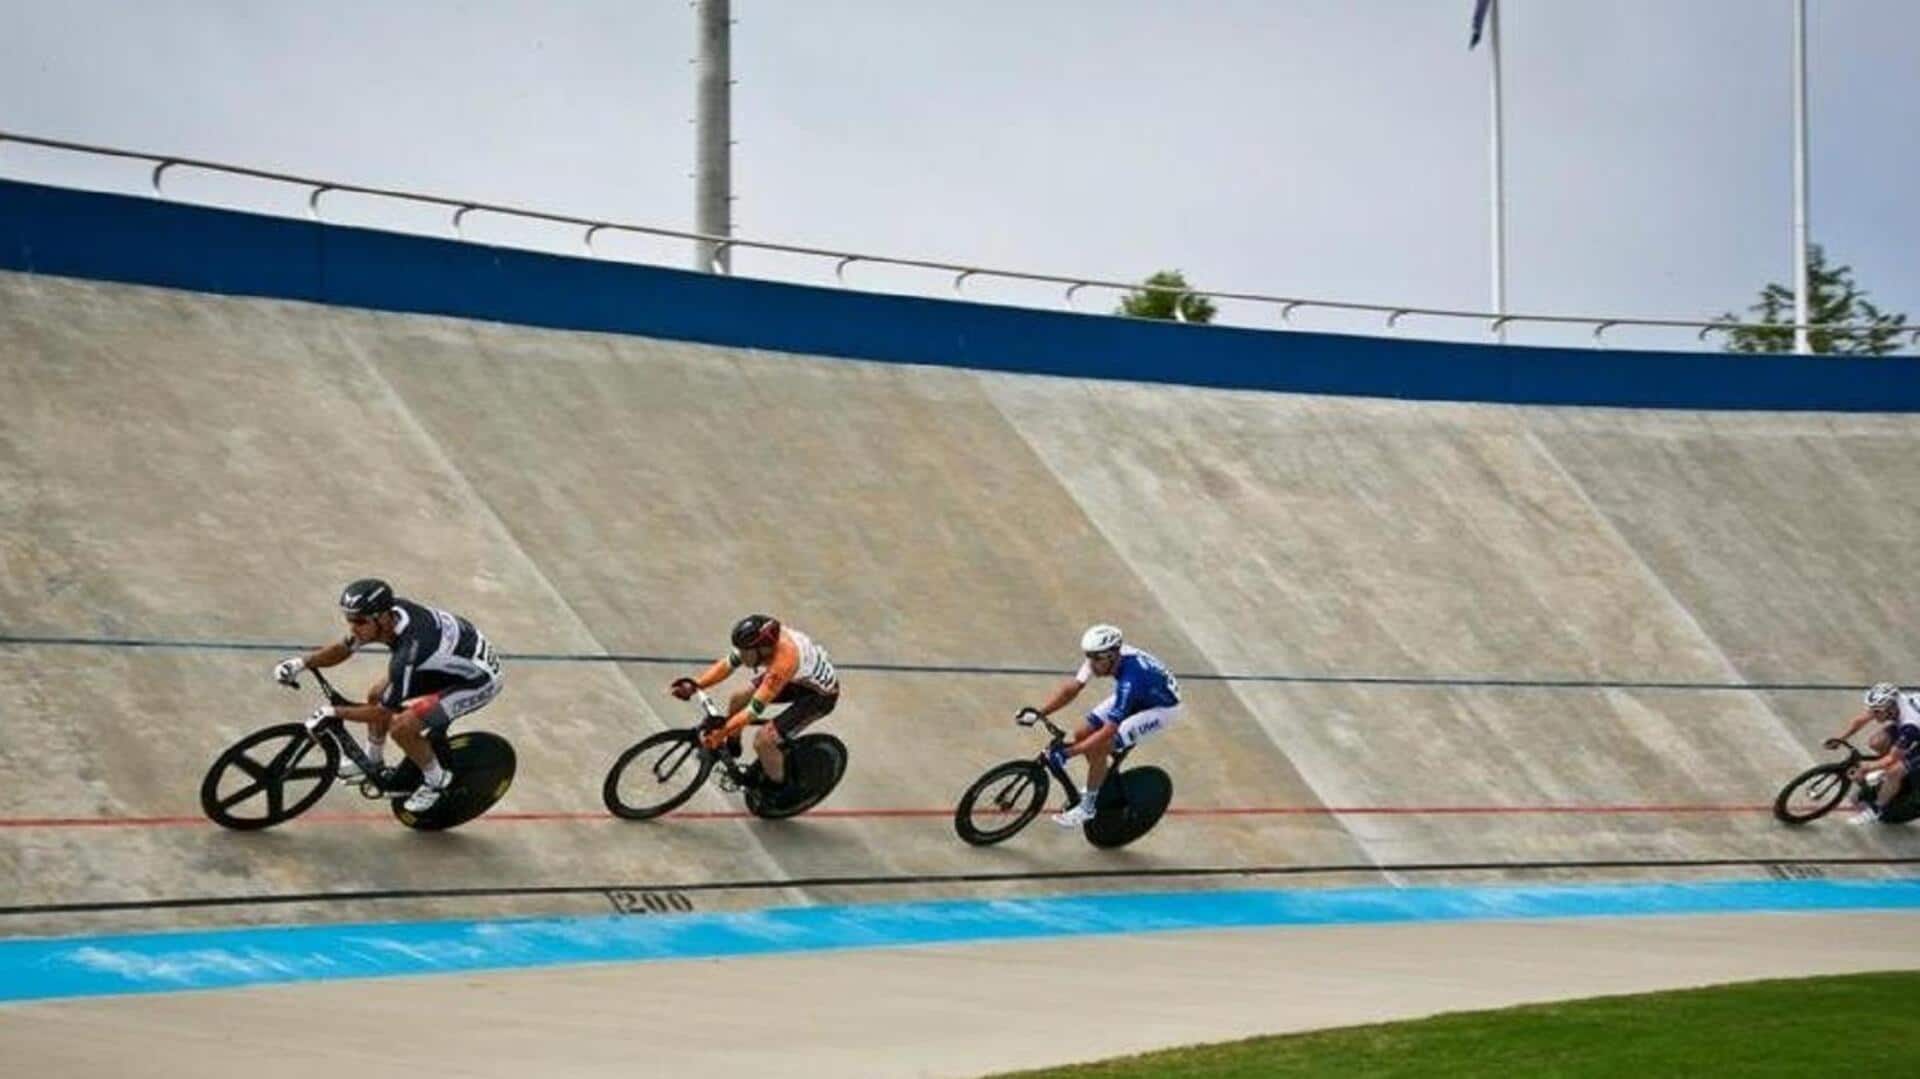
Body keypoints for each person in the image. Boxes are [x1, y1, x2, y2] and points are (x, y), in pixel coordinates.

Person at [272, 578, 503, 813]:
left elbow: (384, 713)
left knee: (403, 727)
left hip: (477, 682)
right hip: (447, 663)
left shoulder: (409, 651)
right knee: (376, 694)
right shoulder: (390, 613)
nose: (353, 628)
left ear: (382, 618)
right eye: (349, 620)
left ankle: (437, 781)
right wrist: (301, 663)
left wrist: (333, 712)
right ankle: (373, 761)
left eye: (359, 622)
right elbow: (344, 648)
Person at [1018, 624, 1181, 827]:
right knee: (1081, 734)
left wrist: (1068, 754)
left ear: (1112, 656)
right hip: (1142, 693)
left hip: (1160, 709)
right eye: (1089, 658)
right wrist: (1040, 713)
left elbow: (1109, 730)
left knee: (1100, 746)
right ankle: (1100, 781)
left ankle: (1088, 807)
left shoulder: (1130, 680)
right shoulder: (1101, 657)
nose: (1091, 665)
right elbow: (1072, 689)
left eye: (1096, 660)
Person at [669, 614, 839, 792]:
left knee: (763, 740)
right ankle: (734, 744)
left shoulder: (783, 663)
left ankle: (778, 787)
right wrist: (696, 684)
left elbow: (752, 711)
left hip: (818, 696)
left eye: (745, 651)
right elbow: (727, 665)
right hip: (797, 678)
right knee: (737, 698)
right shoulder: (760, 645)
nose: (741, 655)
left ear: (762, 649)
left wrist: (720, 733)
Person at [1835, 682, 1920, 824]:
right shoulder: (1890, 704)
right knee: (1877, 742)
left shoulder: (1910, 725)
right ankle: (1886, 781)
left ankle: (1876, 810)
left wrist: (1867, 768)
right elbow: (1862, 720)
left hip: (1915, 728)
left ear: (1890, 708)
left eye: (1877, 712)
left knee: (1895, 771)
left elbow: (1892, 758)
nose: (1873, 714)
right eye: (1872, 710)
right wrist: (1841, 738)